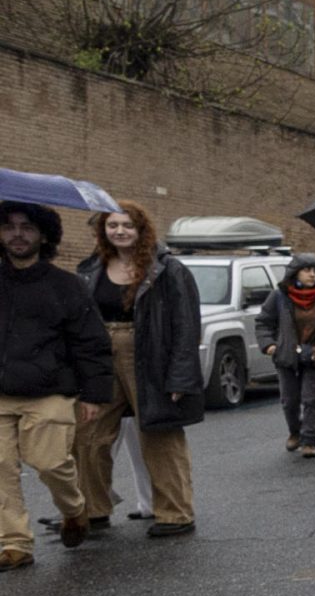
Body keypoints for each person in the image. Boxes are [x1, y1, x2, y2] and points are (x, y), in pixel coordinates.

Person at [69, 202, 202, 535]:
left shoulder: (168, 269)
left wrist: (181, 375)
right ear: (103, 230)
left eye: (127, 225)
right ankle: (93, 510)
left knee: (159, 434)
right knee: (88, 434)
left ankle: (175, 513)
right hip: (99, 353)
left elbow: (186, 325)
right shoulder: (91, 267)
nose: (119, 231)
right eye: (112, 225)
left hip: (149, 352)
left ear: (141, 229)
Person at [0, 202, 114, 568]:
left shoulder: (67, 286)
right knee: (1, 469)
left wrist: (94, 394)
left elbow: (91, 343)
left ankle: (74, 508)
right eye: (9, 227)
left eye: (27, 227)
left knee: (49, 463)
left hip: (49, 391)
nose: (17, 234)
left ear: (44, 235)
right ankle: (15, 544)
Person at [255, 252, 315, 460]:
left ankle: (309, 440)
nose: (312, 275)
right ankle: (295, 432)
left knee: (312, 398)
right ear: (295, 273)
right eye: (307, 270)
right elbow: (263, 322)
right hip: (287, 354)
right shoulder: (280, 296)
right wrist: (269, 345)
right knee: (290, 400)